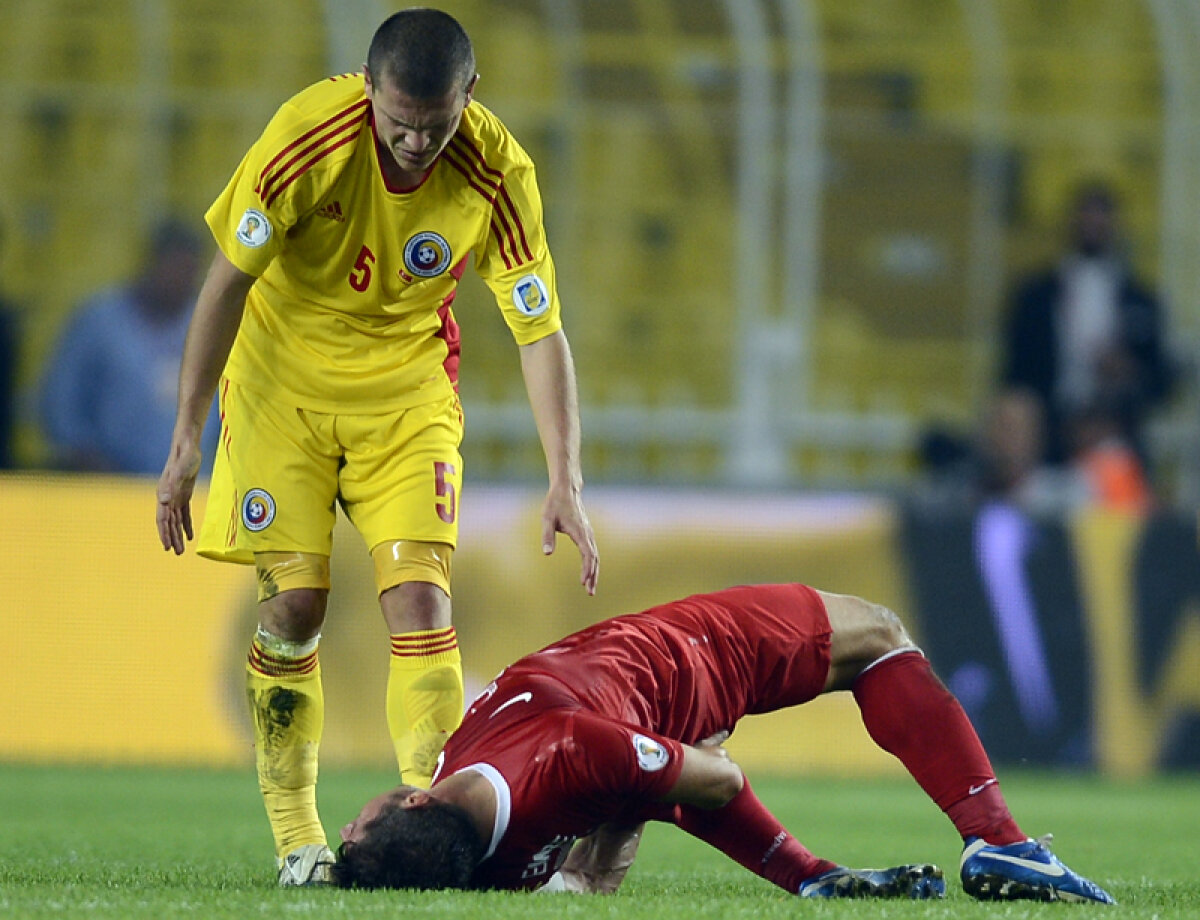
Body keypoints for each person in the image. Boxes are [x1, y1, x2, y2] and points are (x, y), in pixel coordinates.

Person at [154, 8, 599, 887]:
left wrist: (566, 476)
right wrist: (185, 440)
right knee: (295, 610)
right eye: (398, 123)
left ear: (471, 95)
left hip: (405, 394)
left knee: (423, 607)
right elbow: (224, 287)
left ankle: (436, 835)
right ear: (368, 89)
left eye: (435, 127)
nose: (415, 144)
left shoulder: (499, 172)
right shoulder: (304, 137)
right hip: (283, 389)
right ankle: (297, 841)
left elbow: (540, 330)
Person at [333, 583, 1115, 904]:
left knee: (635, 798)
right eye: (358, 823)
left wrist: (622, 814)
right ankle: (996, 839)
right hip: (680, 656)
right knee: (876, 635)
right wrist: (681, 763)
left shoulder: (489, 874)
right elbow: (713, 784)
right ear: (411, 797)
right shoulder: (567, 752)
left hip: (629, 706)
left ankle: (820, 883)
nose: (347, 824)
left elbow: (615, 817)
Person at [999, 180, 1174, 472]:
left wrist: (1128, 373)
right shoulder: (1035, 296)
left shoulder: (1141, 300)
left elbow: (1160, 379)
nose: (1093, 224)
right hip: (1049, 434)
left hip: (1118, 434)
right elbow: (1015, 371)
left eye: (1101, 215)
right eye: (1086, 214)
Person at [39, 219, 217, 474]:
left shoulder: (209, 328)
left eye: (188, 270)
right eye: (173, 267)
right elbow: (60, 407)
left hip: (193, 494)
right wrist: (92, 464)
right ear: (151, 263)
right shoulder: (99, 322)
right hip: (108, 491)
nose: (179, 279)